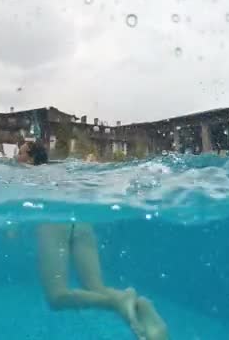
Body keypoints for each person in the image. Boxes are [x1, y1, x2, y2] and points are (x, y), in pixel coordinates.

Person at [17, 141, 168, 340]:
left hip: (53, 223)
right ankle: (139, 311)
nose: (16, 157)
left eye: (19, 153)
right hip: (81, 221)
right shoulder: (59, 171)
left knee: (57, 296)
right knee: (97, 287)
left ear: (30, 158)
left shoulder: (26, 174)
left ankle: (118, 302)